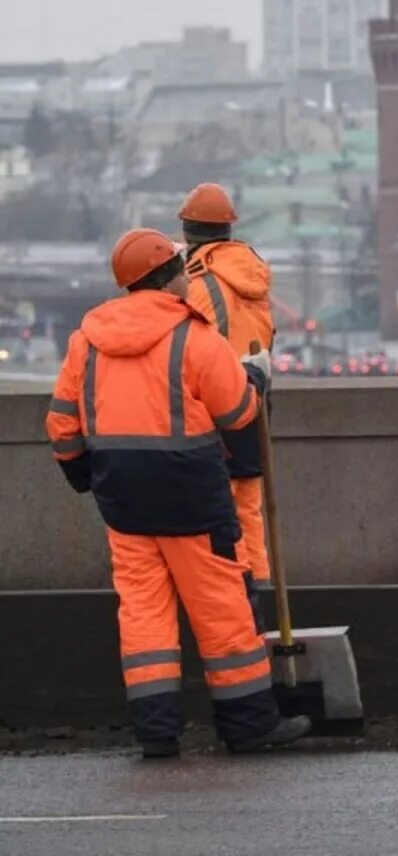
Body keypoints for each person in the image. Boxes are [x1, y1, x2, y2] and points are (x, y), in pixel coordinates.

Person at [45, 229, 309, 759]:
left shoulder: (86, 341)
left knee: (144, 616)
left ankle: (157, 733)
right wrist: (253, 379)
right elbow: (237, 414)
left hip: (123, 500)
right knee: (221, 609)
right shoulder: (195, 337)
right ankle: (249, 726)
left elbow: (62, 426)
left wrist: (84, 477)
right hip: (192, 497)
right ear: (169, 280)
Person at [178, 182, 277, 626]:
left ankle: (234, 602)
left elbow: (190, 349)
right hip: (255, 399)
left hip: (215, 406)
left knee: (216, 511)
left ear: (188, 231)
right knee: (249, 507)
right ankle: (261, 597)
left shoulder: (200, 284)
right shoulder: (251, 275)